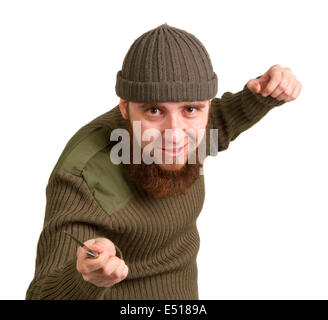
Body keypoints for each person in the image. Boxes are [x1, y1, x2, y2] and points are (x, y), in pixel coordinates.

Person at [25, 23, 301, 300]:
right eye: (154, 110)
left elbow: (224, 119)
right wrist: (85, 277)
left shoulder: (193, 132)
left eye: (191, 108)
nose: (174, 134)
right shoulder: (84, 175)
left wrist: (268, 92)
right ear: (125, 107)